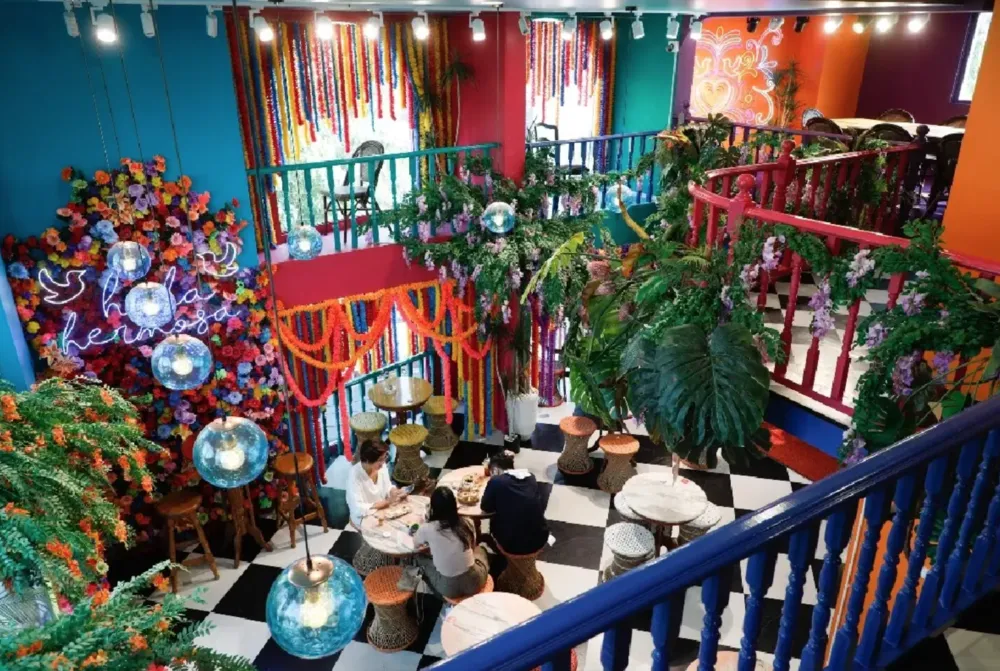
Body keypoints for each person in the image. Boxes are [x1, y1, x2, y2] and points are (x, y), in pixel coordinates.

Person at [413, 487, 489, 599]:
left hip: (449, 589)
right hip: (474, 582)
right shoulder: (467, 522)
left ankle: (440, 598)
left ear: (433, 508)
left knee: (419, 557)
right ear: (454, 505)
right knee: (481, 550)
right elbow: (472, 548)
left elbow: (416, 544)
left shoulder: (427, 528)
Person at [480, 451, 548, 555]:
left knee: (496, 520)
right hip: (540, 536)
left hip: (513, 544)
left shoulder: (496, 481)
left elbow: (485, 507)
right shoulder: (530, 477)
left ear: (495, 470)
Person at [345, 440, 404, 528]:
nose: (383, 463)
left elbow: (387, 486)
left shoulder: (381, 466)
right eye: (380, 460)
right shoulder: (354, 475)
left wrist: (394, 491)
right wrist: (386, 502)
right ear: (367, 460)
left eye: (384, 458)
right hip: (364, 516)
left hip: (381, 509)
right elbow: (357, 507)